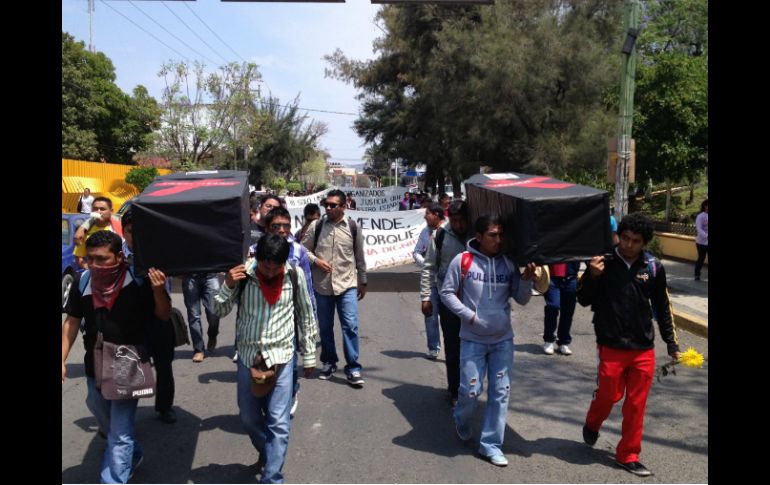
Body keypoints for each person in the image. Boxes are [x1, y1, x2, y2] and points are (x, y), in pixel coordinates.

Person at [62, 230, 171, 483]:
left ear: (120, 257)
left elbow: (163, 315)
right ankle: (133, 455)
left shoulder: (138, 280)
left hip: (128, 362)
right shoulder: (84, 281)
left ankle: (112, 479)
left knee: (120, 433)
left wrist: (157, 290)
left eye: (102, 259)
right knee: (99, 410)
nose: (95, 265)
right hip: (95, 363)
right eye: (90, 259)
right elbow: (72, 323)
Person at [577, 212, 681, 477]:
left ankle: (628, 454)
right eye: (624, 238)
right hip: (611, 345)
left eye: (635, 241)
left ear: (644, 243)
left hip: (643, 348)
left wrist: (671, 342)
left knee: (636, 404)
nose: (628, 245)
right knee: (609, 395)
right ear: (619, 236)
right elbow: (583, 299)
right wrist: (592, 276)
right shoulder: (603, 261)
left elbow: (663, 306)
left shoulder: (654, 267)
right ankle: (592, 422)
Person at [213, 234, 317, 484]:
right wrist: (227, 284)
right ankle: (268, 453)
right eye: (265, 265)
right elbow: (219, 310)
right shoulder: (242, 275)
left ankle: (272, 477)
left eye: (276, 267)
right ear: (256, 258)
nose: (270, 271)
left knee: (279, 422)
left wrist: (310, 355)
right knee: (248, 417)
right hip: (249, 358)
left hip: (282, 356)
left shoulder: (294, 275)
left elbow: (305, 314)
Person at [440, 215, 537, 467]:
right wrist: (469, 316)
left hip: (502, 340)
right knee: (470, 391)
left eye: (501, 235)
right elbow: (447, 292)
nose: (498, 239)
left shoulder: (508, 263)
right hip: (472, 339)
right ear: (480, 237)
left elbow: (522, 298)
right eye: (493, 235)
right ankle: (461, 418)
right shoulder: (463, 261)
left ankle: (490, 445)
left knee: (500, 392)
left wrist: (526, 279)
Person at [301, 189, 367, 386]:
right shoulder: (316, 225)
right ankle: (329, 362)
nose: (327, 208)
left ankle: (353, 367)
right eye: (326, 205)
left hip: (347, 285)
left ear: (343, 207)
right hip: (322, 287)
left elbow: (359, 256)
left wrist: (362, 281)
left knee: (350, 326)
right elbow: (303, 249)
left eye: (332, 205)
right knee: (325, 327)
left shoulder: (353, 227)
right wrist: (316, 261)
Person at [121, 210, 177, 423]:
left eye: (140, 232)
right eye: (130, 232)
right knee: (128, 368)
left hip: (159, 319)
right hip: (129, 322)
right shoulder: (115, 255)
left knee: (164, 367)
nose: (134, 237)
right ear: (123, 231)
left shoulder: (160, 254)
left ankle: (165, 407)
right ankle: (124, 413)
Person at [263, 206, 316, 417]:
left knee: (291, 364)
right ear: (268, 228)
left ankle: (290, 393)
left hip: (290, 319)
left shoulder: (299, 251)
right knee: (265, 366)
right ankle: (268, 402)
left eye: (286, 226)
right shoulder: (254, 251)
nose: (283, 230)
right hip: (262, 321)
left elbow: (307, 287)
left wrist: (310, 320)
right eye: (277, 226)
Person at [419, 200, 471, 406]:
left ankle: (470, 386)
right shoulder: (440, 236)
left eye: (462, 221)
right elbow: (429, 267)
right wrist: (426, 297)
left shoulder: (477, 235)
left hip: (473, 303)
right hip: (448, 301)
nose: (458, 225)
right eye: (455, 220)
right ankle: (455, 389)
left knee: (472, 348)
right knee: (453, 346)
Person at [412, 203, 446, 359]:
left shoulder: (448, 231)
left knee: (450, 317)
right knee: (430, 315)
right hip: (430, 280)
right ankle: (433, 347)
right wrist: (426, 263)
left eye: (428, 213)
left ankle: (453, 347)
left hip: (447, 281)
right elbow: (416, 252)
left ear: (437, 215)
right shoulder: (425, 232)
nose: (425, 216)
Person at [542, 262, 581, 356]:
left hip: (570, 276)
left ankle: (563, 342)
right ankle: (549, 339)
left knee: (568, 311)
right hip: (552, 276)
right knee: (553, 306)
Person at [73, 197, 123, 269]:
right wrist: (88, 269)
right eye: (95, 209)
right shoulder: (85, 232)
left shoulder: (119, 228)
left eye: (102, 209)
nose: (98, 212)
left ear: (111, 211)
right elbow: (78, 255)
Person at [183, 272, 222, 363]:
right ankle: (199, 349)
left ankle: (212, 335)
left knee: (214, 313)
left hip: (210, 275)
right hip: (190, 276)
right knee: (194, 315)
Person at [694, 199, 708, 281]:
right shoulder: (700, 216)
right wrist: (706, 236)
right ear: (705, 206)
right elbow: (699, 228)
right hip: (701, 242)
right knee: (701, 258)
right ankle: (697, 274)